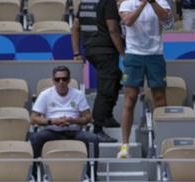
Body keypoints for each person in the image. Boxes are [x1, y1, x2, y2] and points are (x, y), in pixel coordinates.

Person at [117, 0, 172, 159]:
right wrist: (142, 4)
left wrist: (152, 2)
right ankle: (125, 146)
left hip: (155, 55)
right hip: (134, 55)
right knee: (130, 99)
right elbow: (128, 21)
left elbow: (165, 19)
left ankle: (163, 143)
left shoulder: (161, 2)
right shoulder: (127, 3)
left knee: (160, 99)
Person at [29, 65, 99, 182]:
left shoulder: (77, 94)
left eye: (64, 79)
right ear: (53, 81)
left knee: (92, 138)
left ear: (69, 80)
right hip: (52, 130)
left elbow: (88, 117)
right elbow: (33, 118)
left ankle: (92, 178)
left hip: (74, 131)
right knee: (35, 138)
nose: (61, 82)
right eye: (57, 79)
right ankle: (34, 178)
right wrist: (52, 121)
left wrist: (73, 120)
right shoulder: (45, 94)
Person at [71, 0, 124, 143]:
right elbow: (113, 29)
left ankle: (107, 117)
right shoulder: (108, 2)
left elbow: (75, 28)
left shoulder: (85, 3)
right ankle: (97, 129)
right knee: (105, 90)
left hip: (90, 51)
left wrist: (76, 52)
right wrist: (124, 53)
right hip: (105, 51)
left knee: (116, 77)